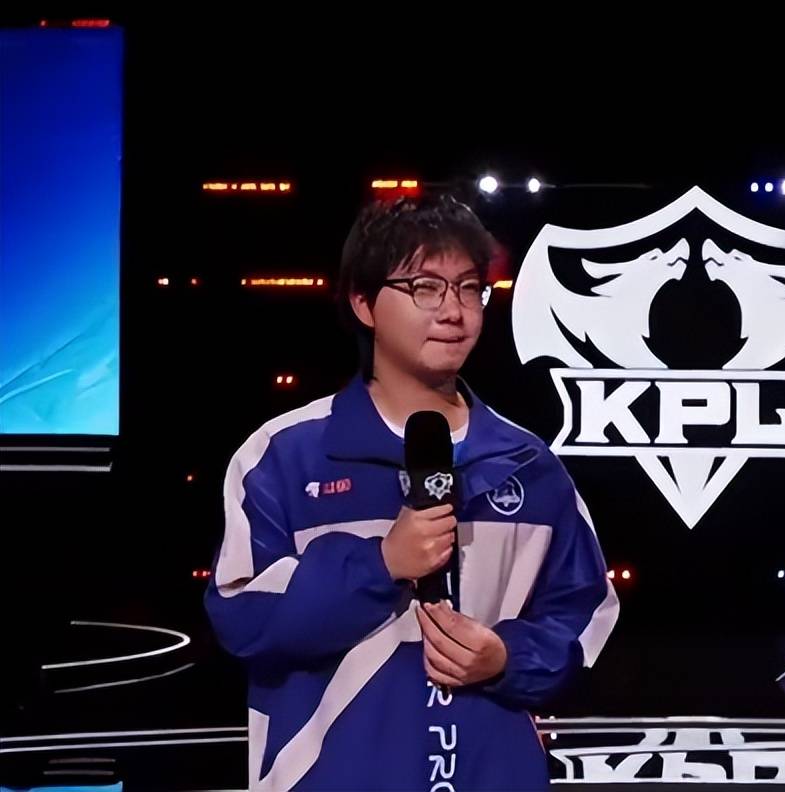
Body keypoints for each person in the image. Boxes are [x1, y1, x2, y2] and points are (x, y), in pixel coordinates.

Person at [205, 194, 619, 791]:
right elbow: (242, 616)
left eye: (470, 288)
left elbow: (585, 615)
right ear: (363, 303)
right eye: (426, 287)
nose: (454, 311)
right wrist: (379, 564)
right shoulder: (282, 455)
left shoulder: (530, 464)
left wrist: (506, 657)